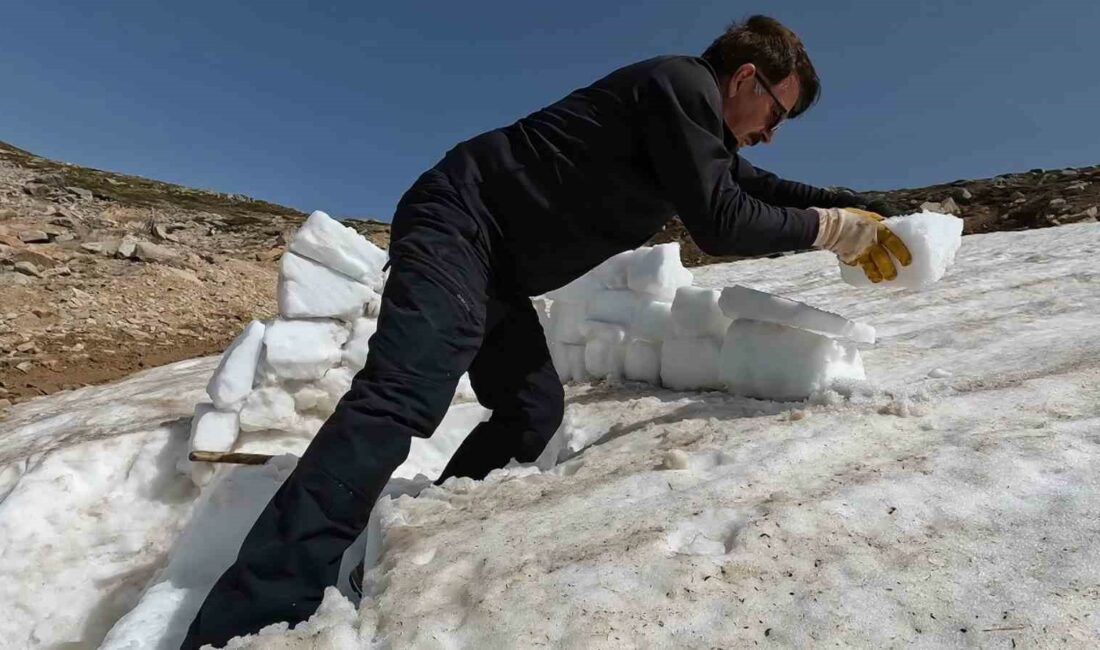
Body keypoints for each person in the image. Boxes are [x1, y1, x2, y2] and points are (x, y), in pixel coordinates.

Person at [182, 14, 910, 648]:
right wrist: (833, 231)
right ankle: (250, 616)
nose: (772, 134)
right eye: (776, 114)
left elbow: (750, 188)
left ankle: (407, 543)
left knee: (533, 409)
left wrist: (858, 206)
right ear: (748, 77)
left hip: (492, 261)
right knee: (404, 392)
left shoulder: (694, 126)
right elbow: (722, 221)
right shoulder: (681, 86)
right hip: (459, 224)